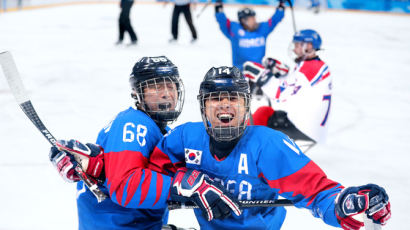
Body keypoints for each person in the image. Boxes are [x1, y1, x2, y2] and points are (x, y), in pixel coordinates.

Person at [52, 65, 391, 229]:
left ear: (246, 107)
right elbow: (144, 172)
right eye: (215, 99)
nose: (224, 105)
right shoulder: (185, 138)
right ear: (203, 107)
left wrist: (345, 202)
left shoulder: (269, 146)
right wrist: (97, 164)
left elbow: (319, 194)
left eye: (233, 98)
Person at [49, 56, 241, 230]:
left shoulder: (159, 130)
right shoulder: (133, 124)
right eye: (156, 87)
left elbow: (125, 177)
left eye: (170, 86)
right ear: (137, 93)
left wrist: (97, 169)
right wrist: (180, 186)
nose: (166, 94)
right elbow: (126, 186)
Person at [243, 29, 331, 151]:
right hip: (311, 127)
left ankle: (244, 150)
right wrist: (283, 73)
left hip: (302, 128)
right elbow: (297, 84)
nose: (294, 49)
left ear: (309, 46)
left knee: (260, 119)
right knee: (265, 111)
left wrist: (263, 76)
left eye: (297, 45)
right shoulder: (317, 65)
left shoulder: (309, 68)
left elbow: (281, 95)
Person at [214, 0, 285, 70]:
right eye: (251, 18)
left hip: (259, 72)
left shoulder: (262, 29)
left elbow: (275, 19)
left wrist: (281, 5)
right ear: (243, 20)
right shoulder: (234, 30)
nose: (254, 20)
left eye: (254, 18)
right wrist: (218, 4)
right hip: (240, 73)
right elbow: (222, 20)